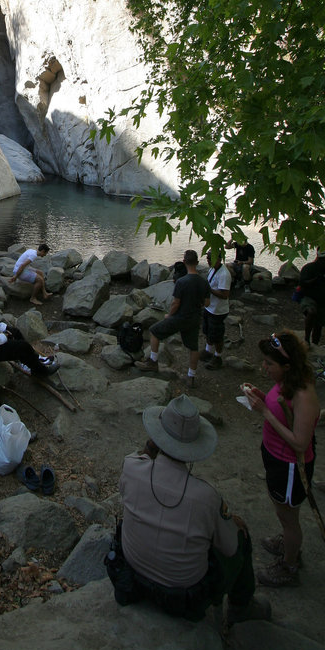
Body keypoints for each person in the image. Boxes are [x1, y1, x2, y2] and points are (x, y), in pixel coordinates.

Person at [111, 394, 270, 624]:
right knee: (240, 538)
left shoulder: (132, 467)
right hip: (182, 595)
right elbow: (229, 547)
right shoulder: (207, 497)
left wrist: (152, 444)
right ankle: (241, 605)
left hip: (132, 575)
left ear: (156, 438)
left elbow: (140, 460)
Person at [244, 330, 320, 587]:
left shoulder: (303, 395)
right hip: (275, 456)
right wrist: (263, 399)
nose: (265, 368)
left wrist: (265, 411)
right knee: (282, 511)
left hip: (289, 466)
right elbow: (281, 410)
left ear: (287, 366)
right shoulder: (288, 381)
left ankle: (289, 563)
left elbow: (300, 441)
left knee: (288, 517)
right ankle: (288, 542)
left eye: (270, 364)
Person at [136, 250, 211, 386]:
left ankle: (153, 362)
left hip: (180, 318)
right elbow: (207, 303)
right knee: (193, 348)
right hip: (194, 319)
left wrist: (169, 315)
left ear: (184, 262)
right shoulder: (203, 282)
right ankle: (191, 376)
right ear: (197, 263)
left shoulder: (182, 282)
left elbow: (176, 303)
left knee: (154, 331)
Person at [199, 249, 231, 370]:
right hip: (210, 307)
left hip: (218, 310)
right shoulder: (212, 269)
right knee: (207, 331)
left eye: (210, 258)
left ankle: (218, 357)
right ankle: (208, 351)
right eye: (207, 258)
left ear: (218, 259)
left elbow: (225, 294)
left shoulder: (224, 274)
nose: (208, 261)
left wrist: (209, 290)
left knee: (217, 335)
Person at [298, 250, 325, 345]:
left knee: (319, 324)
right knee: (311, 312)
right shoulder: (308, 268)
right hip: (309, 297)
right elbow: (302, 283)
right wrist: (316, 279)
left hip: (323, 300)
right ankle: (306, 338)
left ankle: (315, 343)